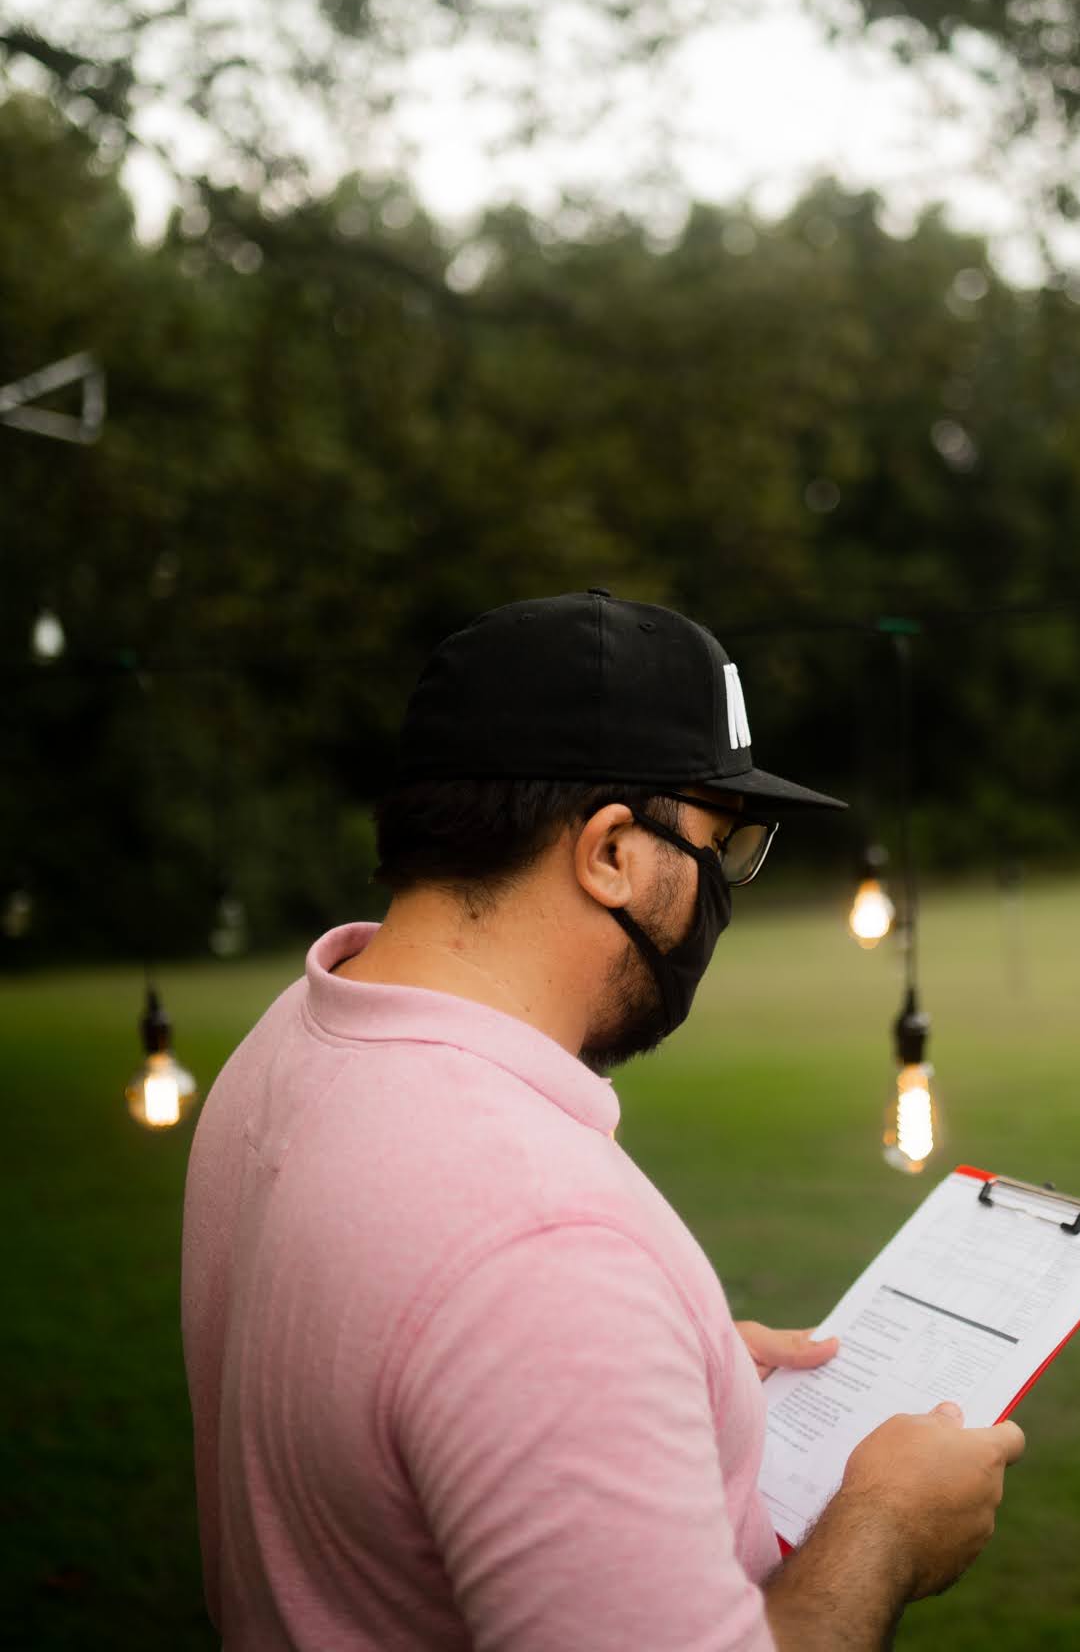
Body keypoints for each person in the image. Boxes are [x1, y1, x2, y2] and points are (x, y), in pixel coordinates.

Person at [182, 590, 1023, 1651]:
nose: (722, 888)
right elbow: (516, 1296)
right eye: (720, 843)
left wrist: (651, 1379)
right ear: (612, 851)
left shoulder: (290, 1041)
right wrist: (888, 1527)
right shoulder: (545, 1248)